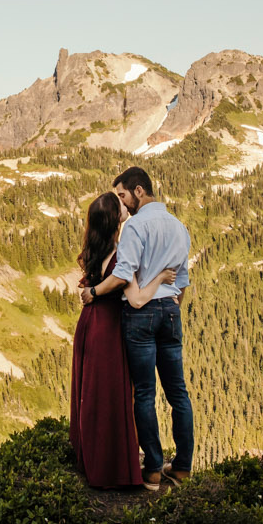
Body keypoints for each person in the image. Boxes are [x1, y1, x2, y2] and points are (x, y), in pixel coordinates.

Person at [70, 192, 178, 489]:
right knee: (113, 399)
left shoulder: (96, 248)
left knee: (95, 395)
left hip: (90, 326)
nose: (125, 206)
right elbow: (138, 299)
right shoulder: (120, 255)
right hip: (110, 329)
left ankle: (95, 459)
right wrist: (160, 278)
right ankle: (113, 468)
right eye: (119, 205)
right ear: (116, 219)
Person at [106, 165, 193, 486]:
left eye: (123, 195)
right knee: (178, 392)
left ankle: (154, 467)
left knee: (144, 393)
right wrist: (171, 306)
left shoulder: (134, 227)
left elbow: (124, 273)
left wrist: (95, 291)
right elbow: (182, 281)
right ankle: (182, 466)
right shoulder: (179, 227)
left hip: (140, 314)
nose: (123, 203)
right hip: (171, 311)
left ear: (138, 191)